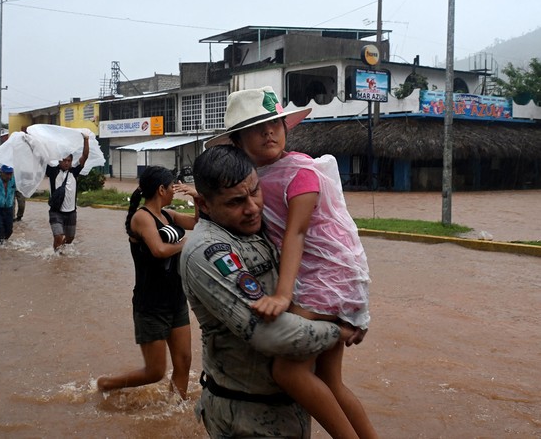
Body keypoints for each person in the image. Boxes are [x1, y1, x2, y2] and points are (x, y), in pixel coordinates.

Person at [211, 86, 376, 438]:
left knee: (288, 372)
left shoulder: (301, 172)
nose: (269, 132)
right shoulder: (256, 180)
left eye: (275, 123)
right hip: (325, 278)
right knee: (329, 380)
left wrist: (284, 296)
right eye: (257, 127)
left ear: (286, 128)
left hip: (326, 278)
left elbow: (296, 234)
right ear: (239, 141)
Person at [180, 145, 356, 438]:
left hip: (289, 410)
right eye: (236, 202)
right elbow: (269, 334)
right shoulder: (208, 252)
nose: (252, 207)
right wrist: (338, 332)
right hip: (246, 419)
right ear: (205, 205)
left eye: (255, 192)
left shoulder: (261, 225)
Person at [97, 166, 197, 399]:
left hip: (176, 298)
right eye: (172, 187)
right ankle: (106, 384)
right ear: (161, 189)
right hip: (151, 304)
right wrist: (186, 245)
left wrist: (197, 197)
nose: (174, 191)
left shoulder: (168, 215)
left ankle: (174, 410)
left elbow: (196, 223)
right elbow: (159, 250)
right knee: (155, 372)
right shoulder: (141, 217)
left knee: (184, 362)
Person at [45, 132, 89, 251]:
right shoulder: (52, 171)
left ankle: (60, 250)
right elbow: (40, 156)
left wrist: (86, 139)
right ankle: (56, 256)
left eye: (69, 160)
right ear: (59, 161)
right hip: (56, 211)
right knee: (58, 236)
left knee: (70, 238)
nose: (66, 163)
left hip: (71, 212)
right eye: (64, 160)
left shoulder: (74, 172)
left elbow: (84, 156)